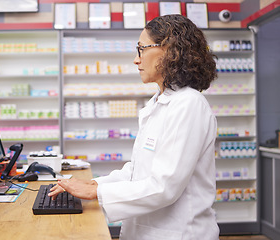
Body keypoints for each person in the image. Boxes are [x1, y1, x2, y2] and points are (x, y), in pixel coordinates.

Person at [49, 14, 219, 240]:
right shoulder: (158, 103)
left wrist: (95, 192)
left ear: (169, 50)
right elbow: (137, 171)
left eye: (142, 49)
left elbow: (164, 186)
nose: (136, 59)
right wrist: (93, 183)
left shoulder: (188, 104)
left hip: (179, 233)